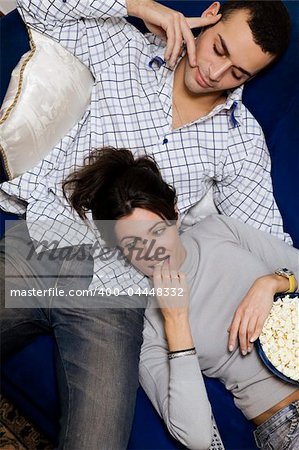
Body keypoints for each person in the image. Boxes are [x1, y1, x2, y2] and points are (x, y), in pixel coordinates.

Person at [0, 1, 294, 448]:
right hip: (47, 246)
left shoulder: (242, 142)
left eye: (238, 73)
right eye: (218, 48)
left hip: (119, 298)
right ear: (210, 17)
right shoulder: (124, 48)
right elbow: (36, 7)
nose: (216, 74)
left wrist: (276, 280)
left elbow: (270, 239)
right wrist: (140, 7)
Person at [63, 146, 299, 450]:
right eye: (134, 245)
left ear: (174, 213)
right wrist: (176, 322)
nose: (153, 252)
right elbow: (199, 438)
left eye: (157, 231)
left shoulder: (218, 229)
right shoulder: (146, 322)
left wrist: (274, 282)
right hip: (288, 420)